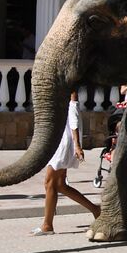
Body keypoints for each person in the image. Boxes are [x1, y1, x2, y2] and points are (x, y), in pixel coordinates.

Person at [32, 90, 101, 234]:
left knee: (50, 182)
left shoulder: (70, 90)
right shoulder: (56, 87)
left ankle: (47, 225)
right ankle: (95, 210)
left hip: (65, 142)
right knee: (60, 185)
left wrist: (77, 145)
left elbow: (74, 116)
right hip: (58, 140)